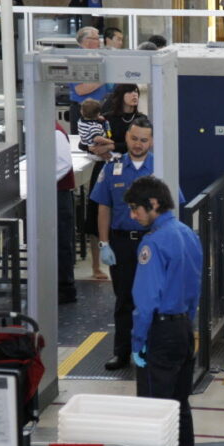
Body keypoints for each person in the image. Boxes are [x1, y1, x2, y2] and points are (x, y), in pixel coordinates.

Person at [125, 176, 202, 446]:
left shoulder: (152, 243)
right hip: (183, 328)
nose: (133, 216)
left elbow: (146, 302)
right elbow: (196, 288)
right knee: (180, 410)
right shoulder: (187, 233)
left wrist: (137, 342)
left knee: (155, 414)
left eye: (135, 209)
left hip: (159, 332)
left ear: (153, 205)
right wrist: (189, 326)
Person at [90, 117, 155, 370]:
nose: (138, 144)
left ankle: (148, 349)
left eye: (143, 140)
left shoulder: (160, 168)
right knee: (124, 301)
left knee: (150, 300)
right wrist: (104, 244)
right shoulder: (112, 168)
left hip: (152, 244)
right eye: (134, 138)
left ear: (151, 141)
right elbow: (103, 207)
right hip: (122, 244)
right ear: (126, 137)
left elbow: (171, 208)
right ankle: (122, 352)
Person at [81, 85, 145, 281]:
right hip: (105, 168)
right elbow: (83, 140)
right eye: (130, 92)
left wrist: (112, 145)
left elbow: (141, 144)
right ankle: (96, 265)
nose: (134, 95)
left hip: (132, 171)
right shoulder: (105, 118)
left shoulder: (141, 120)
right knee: (96, 213)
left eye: (136, 92)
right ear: (120, 96)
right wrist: (93, 148)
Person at [68, 27, 109, 134]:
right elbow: (80, 89)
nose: (99, 42)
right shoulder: (76, 59)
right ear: (87, 41)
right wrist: (105, 79)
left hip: (99, 109)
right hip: (84, 110)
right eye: (96, 39)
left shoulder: (98, 57)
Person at [56, 122, 77, 304]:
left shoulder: (55, 132)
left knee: (62, 240)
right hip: (54, 191)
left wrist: (45, 180)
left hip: (58, 192)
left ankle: (66, 287)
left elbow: (64, 164)